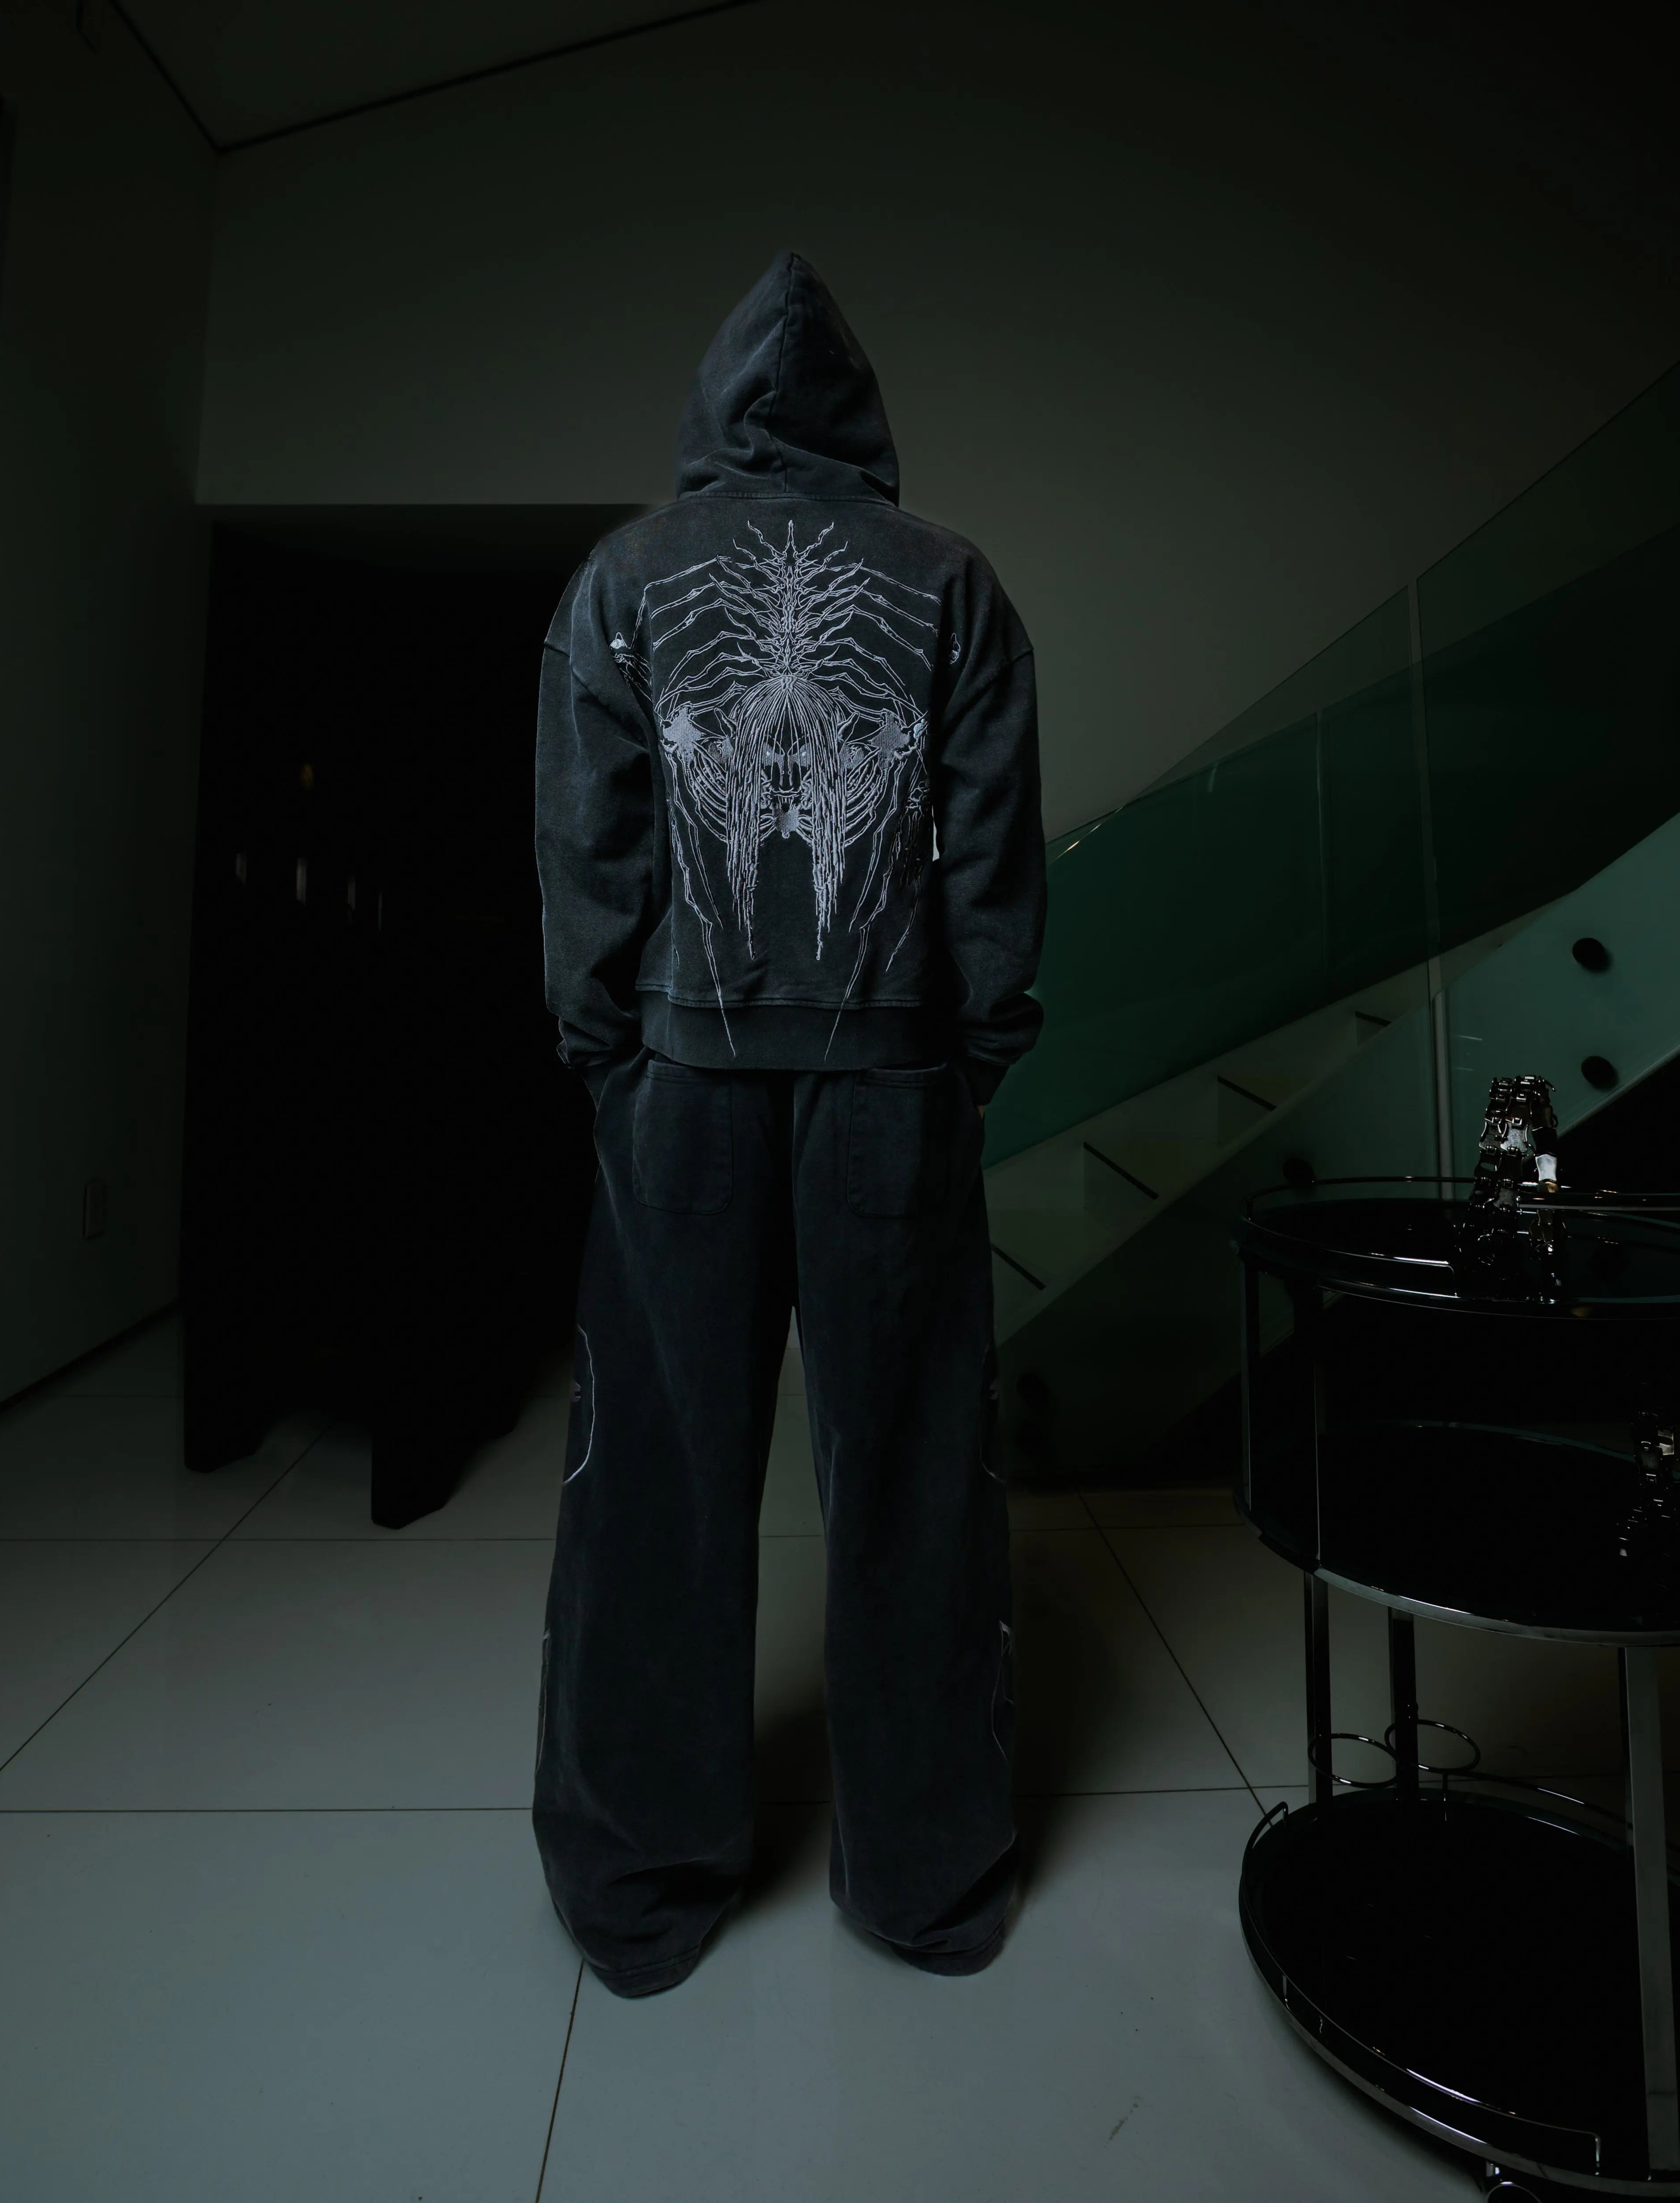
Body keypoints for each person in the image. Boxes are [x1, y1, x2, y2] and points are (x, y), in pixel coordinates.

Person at [531, 250, 1047, 1997]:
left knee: (652, 1481)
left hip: (680, 1091)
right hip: (888, 1091)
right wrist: (968, 1050)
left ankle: (640, 1885)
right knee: (913, 1477)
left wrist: (611, 1052)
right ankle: (925, 1882)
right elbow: (991, 857)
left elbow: (587, 848)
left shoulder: (622, 576)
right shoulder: (953, 580)